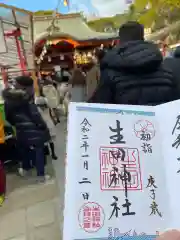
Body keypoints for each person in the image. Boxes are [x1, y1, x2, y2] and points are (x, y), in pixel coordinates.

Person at [88, 21, 177, 105]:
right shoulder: (166, 71)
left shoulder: (110, 73)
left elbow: (100, 107)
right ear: (142, 38)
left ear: (119, 41)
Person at [2, 76, 51, 183]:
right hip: (34, 128)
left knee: (24, 148)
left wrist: (17, 124)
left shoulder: (8, 99)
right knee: (39, 150)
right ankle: (41, 176)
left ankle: (26, 170)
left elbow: (8, 117)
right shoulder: (27, 97)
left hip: (20, 129)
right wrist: (42, 126)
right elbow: (35, 115)